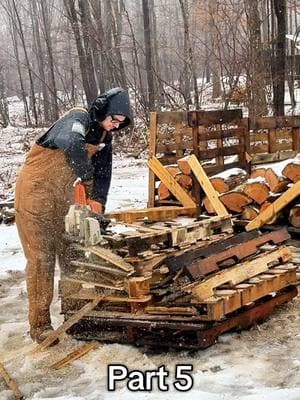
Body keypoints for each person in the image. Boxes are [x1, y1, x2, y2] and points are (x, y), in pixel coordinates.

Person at [14, 87, 132, 343]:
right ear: (103, 110)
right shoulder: (76, 119)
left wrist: (97, 204)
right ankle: (40, 325)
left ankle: (75, 312)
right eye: (113, 119)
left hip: (66, 196)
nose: (114, 126)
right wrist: (85, 177)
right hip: (36, 192)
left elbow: (104, 175)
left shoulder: (105, 137)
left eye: (120, 123)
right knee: (42, 257)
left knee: (72, 252)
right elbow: (71, 142)